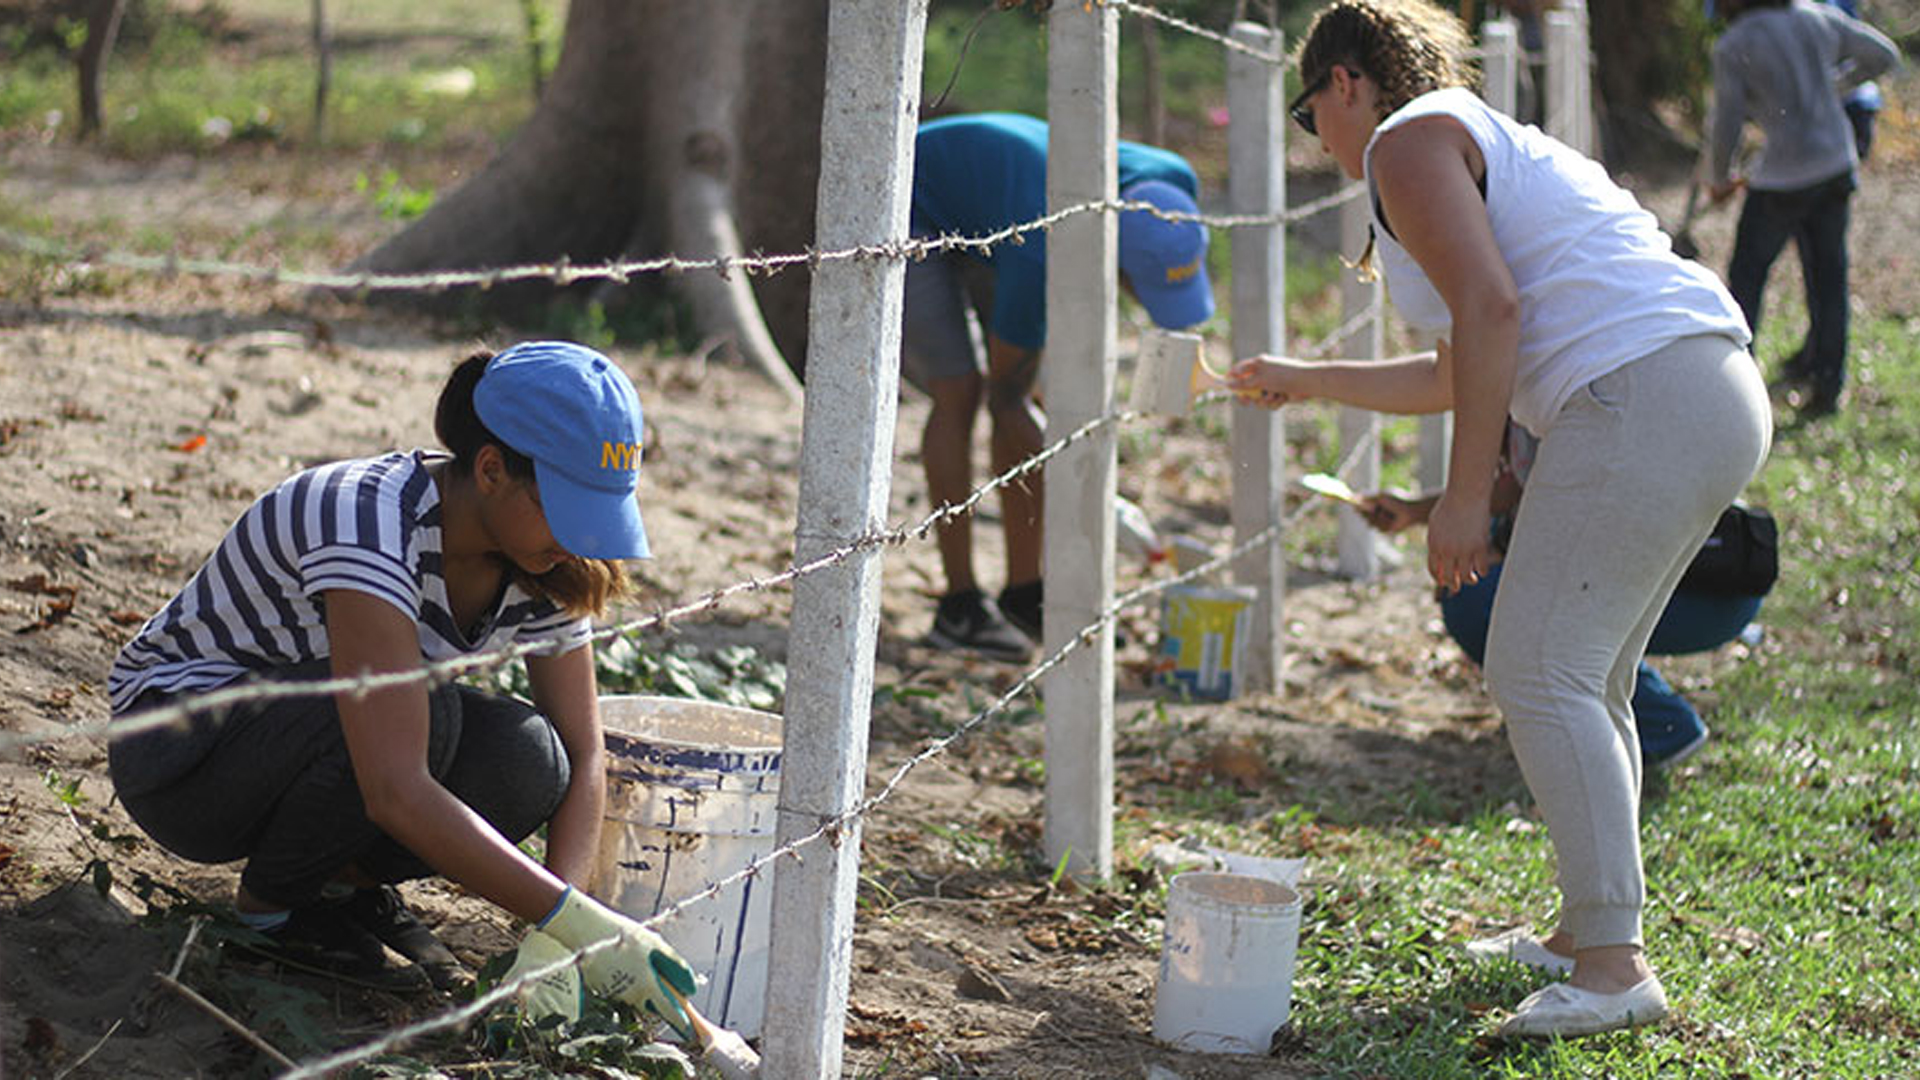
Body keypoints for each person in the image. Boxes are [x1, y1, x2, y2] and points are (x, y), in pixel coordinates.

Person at [1229, 0, 1770, 1037]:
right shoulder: (1470, 139)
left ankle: (1615, 969)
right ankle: (1588, 930)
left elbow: (1492, 316)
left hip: (1643, 395)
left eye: (1310, 116)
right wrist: (1308, 377)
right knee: (1588, 673)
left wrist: (1464, 499)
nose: (1321, 140)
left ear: (1344, 81)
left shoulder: (1407, 139)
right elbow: (1458, 362)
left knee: (1538, 666)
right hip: (1700, 389)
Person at [106, 342, 695, 1033]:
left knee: (531, 758)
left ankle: (336, 885)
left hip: (312, 746)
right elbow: (392, 784)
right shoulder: (366, 519)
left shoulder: (544, 559)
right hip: (182, 760)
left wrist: (557, 940)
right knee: (427, 718)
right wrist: (579, 920)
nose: (579, 539)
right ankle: (273, 912)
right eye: (563, 507)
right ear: (491, 468)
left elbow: (583, 753)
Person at [905, 112, 1215, 660]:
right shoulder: (1042, 248)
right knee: (966, 391)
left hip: (998, 199)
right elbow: (1012, 396)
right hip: (915, 199)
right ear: (1109, 265)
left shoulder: (1173, 181)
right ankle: (960, 606)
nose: (1144, 305)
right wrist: (1091, 489)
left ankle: (1026, 592)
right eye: (1139, 290)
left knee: (1024, 398)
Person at [1358, 422, 1768, 770]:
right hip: (1698, 569)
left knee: (1481, 600)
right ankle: (1590, 704)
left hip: (1708, 589)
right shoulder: (1538, 361)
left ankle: (1660, 725)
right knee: (1495, 589)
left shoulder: (1560, 377)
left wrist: (1498, 545)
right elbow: (1516, 484)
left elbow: (1570, 514)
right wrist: (1416, 510)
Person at [1706, 0, 1899, 419]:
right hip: (1834, 164)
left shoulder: (1734, 44)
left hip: (1783, 176)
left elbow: (1727, 122)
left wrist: (1719, 180)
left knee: (1746, 278)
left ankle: (1736, 393)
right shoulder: (1815, 16)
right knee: (1828, 275)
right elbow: (1885, 55)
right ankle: (1829, 387)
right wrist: (1835, 86)